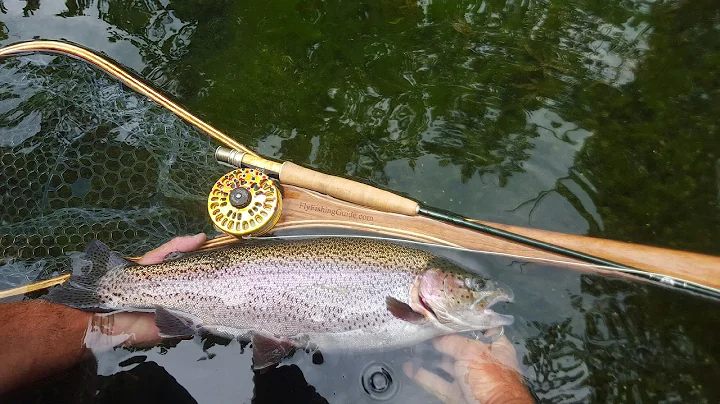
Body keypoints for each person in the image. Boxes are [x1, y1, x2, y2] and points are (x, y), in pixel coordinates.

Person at [0, 234, 534, 403]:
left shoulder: (415, 289)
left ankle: (106, 292)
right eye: (476, 288)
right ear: (431, 287)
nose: (485, 295)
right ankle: (110, 289)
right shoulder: (411, 295)